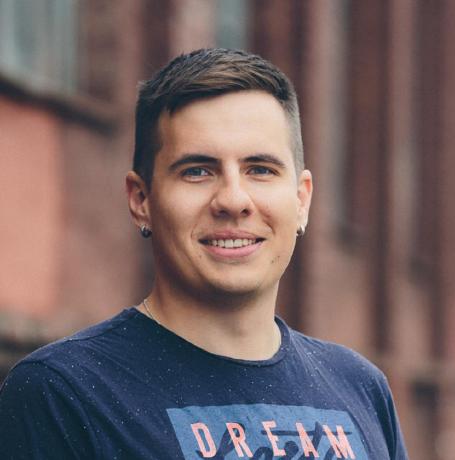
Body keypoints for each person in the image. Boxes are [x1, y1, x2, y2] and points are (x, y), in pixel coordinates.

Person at [0, 48, 408, 459]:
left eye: (260, 170)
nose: (233, 200)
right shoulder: (63, 393)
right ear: (141, 199)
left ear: (301, 200)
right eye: (197, 171)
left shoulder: (361, 388)